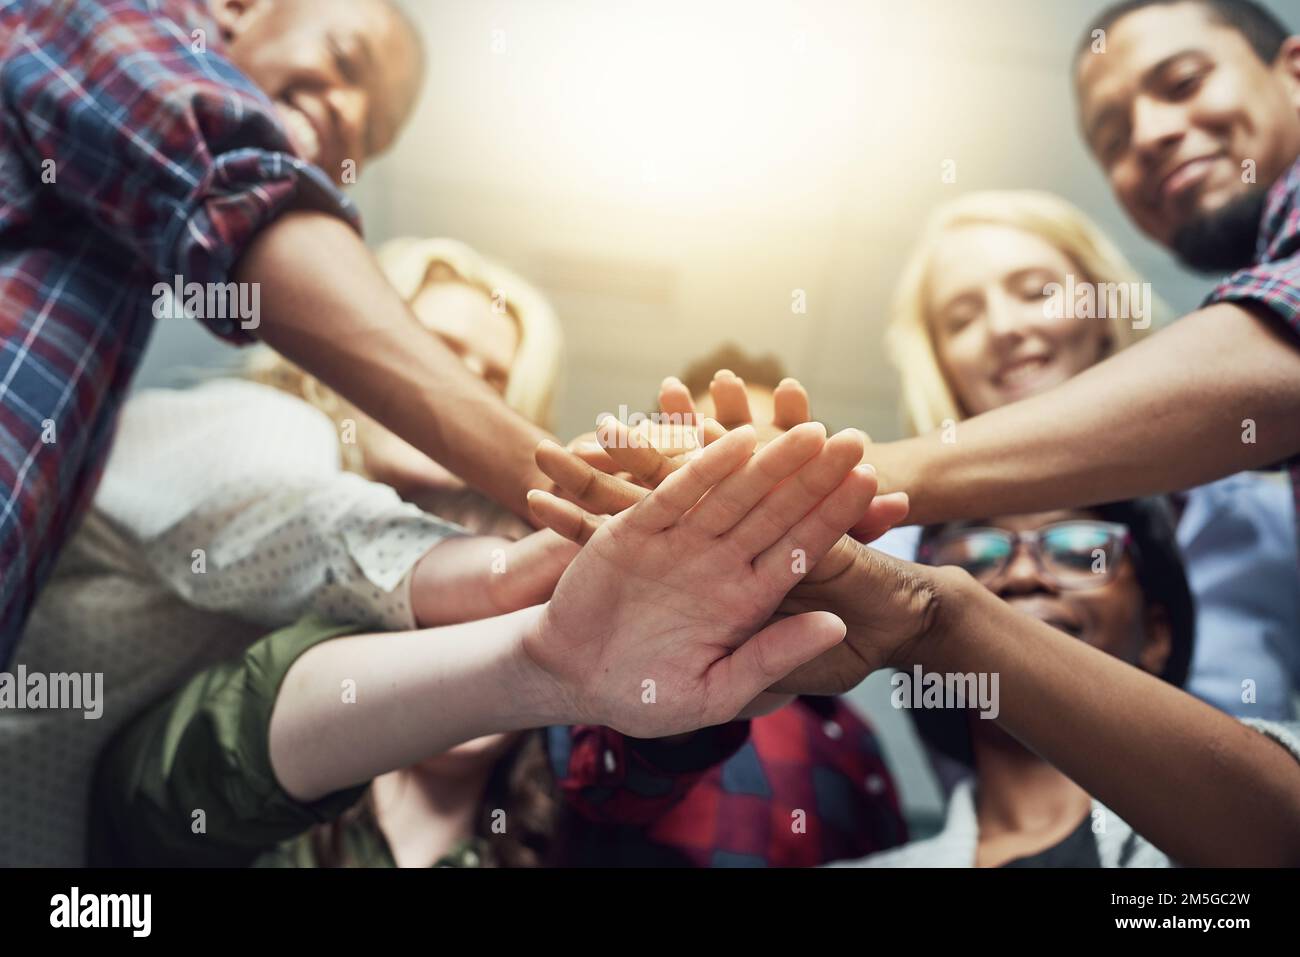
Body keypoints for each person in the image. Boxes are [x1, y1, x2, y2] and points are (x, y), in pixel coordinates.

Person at [0, 0, 559, 666]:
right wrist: (571, 482)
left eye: (372, 134)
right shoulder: (103, 13)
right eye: (343, 61)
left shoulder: (113, 242)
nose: (351, 116)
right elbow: (243, 190)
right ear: (238, 7)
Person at [1, 236, 571, 866]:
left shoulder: (400, 585)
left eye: (492, 378)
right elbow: (304, 529)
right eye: (436, 348)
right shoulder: (262, 423)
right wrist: (539, 570)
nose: (458, 383)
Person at [88, 424, 898, 865]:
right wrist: (523, 659)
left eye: (528, 610)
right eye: (465, 612)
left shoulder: (564, 829)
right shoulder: (282, 784)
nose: (492, 625)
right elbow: (164, 787)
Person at [530, 428, 1300, 866]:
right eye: (982, 552)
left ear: (1159, 629)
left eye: (1075, 545)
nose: (1026, 569)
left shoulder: (1265, 785)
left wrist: (945, 614)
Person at [779, 0, 1300, 625]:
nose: (1150, 134)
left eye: (1183, 83)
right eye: (1113, 139)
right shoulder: (888, 552)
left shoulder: (1252, 507)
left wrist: (847, 479)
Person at [874, 190, 1298, 718]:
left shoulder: (1268, 519)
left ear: (1103, 310)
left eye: (1036, 291)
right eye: (961, 319)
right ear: (941, 364)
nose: (1004, 328)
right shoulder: (895, 542)